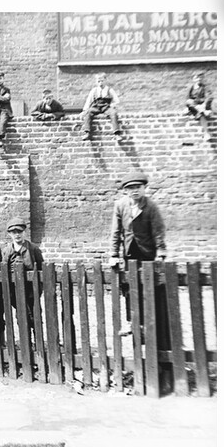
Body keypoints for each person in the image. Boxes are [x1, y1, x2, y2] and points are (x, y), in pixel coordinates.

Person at [109, 173, 167, 336]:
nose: (134, 191)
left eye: (137, 187)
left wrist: (161, 251)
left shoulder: (150, 206)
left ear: (144, 188)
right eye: (130, 188)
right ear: (125, 191)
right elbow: (116, 231)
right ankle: (131, 322)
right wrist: (114, 254)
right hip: (129, 254)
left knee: (148, 286)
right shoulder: (120, 205)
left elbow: (158, 230)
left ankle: (149, 324)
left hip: (147, 253)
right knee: (129, 287)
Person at [1, 217, 44, 333]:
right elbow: (3, 269)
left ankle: (37, 341)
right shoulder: (6, 251)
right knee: (21, 314)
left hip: (31, 288)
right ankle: (26, 341)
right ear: (9, 234)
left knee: (35, 314)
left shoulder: (33, 248)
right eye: (13, 232)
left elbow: (41, 268)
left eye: (19, 232)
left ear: (24, 232)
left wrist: (38, 288)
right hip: (15, 289)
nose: (17, 235)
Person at [81, 73, 122, 142]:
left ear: (105, 80)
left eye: (102, 81)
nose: (100, 83)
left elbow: (117, 100)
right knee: (88, 113)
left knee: (113, 113)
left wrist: (112, 105)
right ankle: (87, 133)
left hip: (106, 107)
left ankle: (116, 133)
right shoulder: (94, 90)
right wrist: (84, 110)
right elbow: (88, 101)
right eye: (98, 81)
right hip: (96, 107)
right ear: (96, 82)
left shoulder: (109, 90)